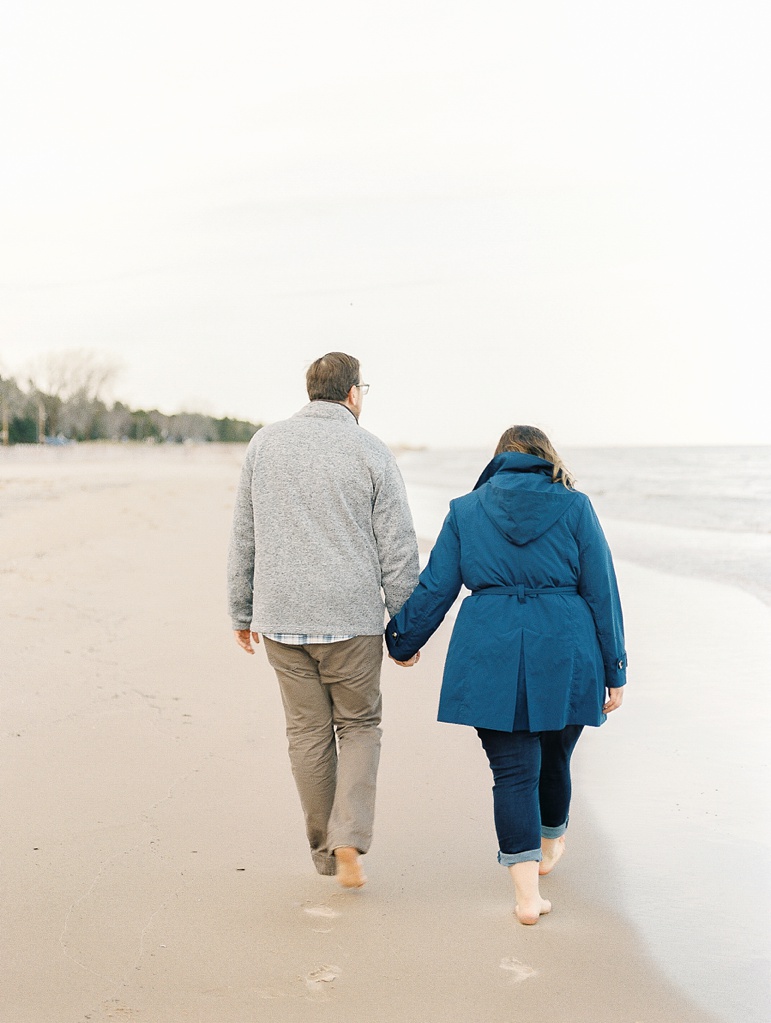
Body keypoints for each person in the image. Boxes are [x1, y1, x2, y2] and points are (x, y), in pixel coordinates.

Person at [385, 425, 626, 923]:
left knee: (513, 772)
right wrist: (615, 666)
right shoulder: (574, 506)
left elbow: (437, 586)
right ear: (547, 458)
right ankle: (551, 836)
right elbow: (601, 587)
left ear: (498, 462)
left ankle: (525, 898)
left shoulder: (466, 509)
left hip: (490, 646)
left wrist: (403, 641)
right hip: (566, 644)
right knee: (557, 754)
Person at [228, 352, 419, 888]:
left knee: (307, 733)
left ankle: (326, 852)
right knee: (358, 726)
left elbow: (245, 533)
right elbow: (398, 550)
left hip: (281, 617)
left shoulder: (264, 444)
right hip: (351, 619)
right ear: (353, 394)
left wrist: (240, 610)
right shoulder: (371, 450)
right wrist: (406, 627)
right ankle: (349, 838)